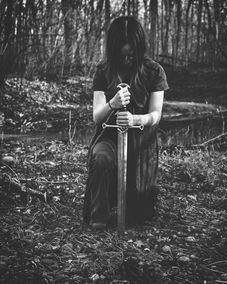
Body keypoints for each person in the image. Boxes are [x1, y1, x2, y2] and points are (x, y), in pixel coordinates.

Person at [83, 16, 169, 229]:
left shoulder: (154, 71)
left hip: (142, 143)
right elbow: (97, 116)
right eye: (122, 56)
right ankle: (99, 219)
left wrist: (135, 119)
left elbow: (156, 115)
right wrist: (112, 104)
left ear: (138, 50)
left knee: (139, 214)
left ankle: (134, 207)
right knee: (101, 159)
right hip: (109, 137)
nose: (126, 60)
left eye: (131, 56)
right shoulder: (104, 70)